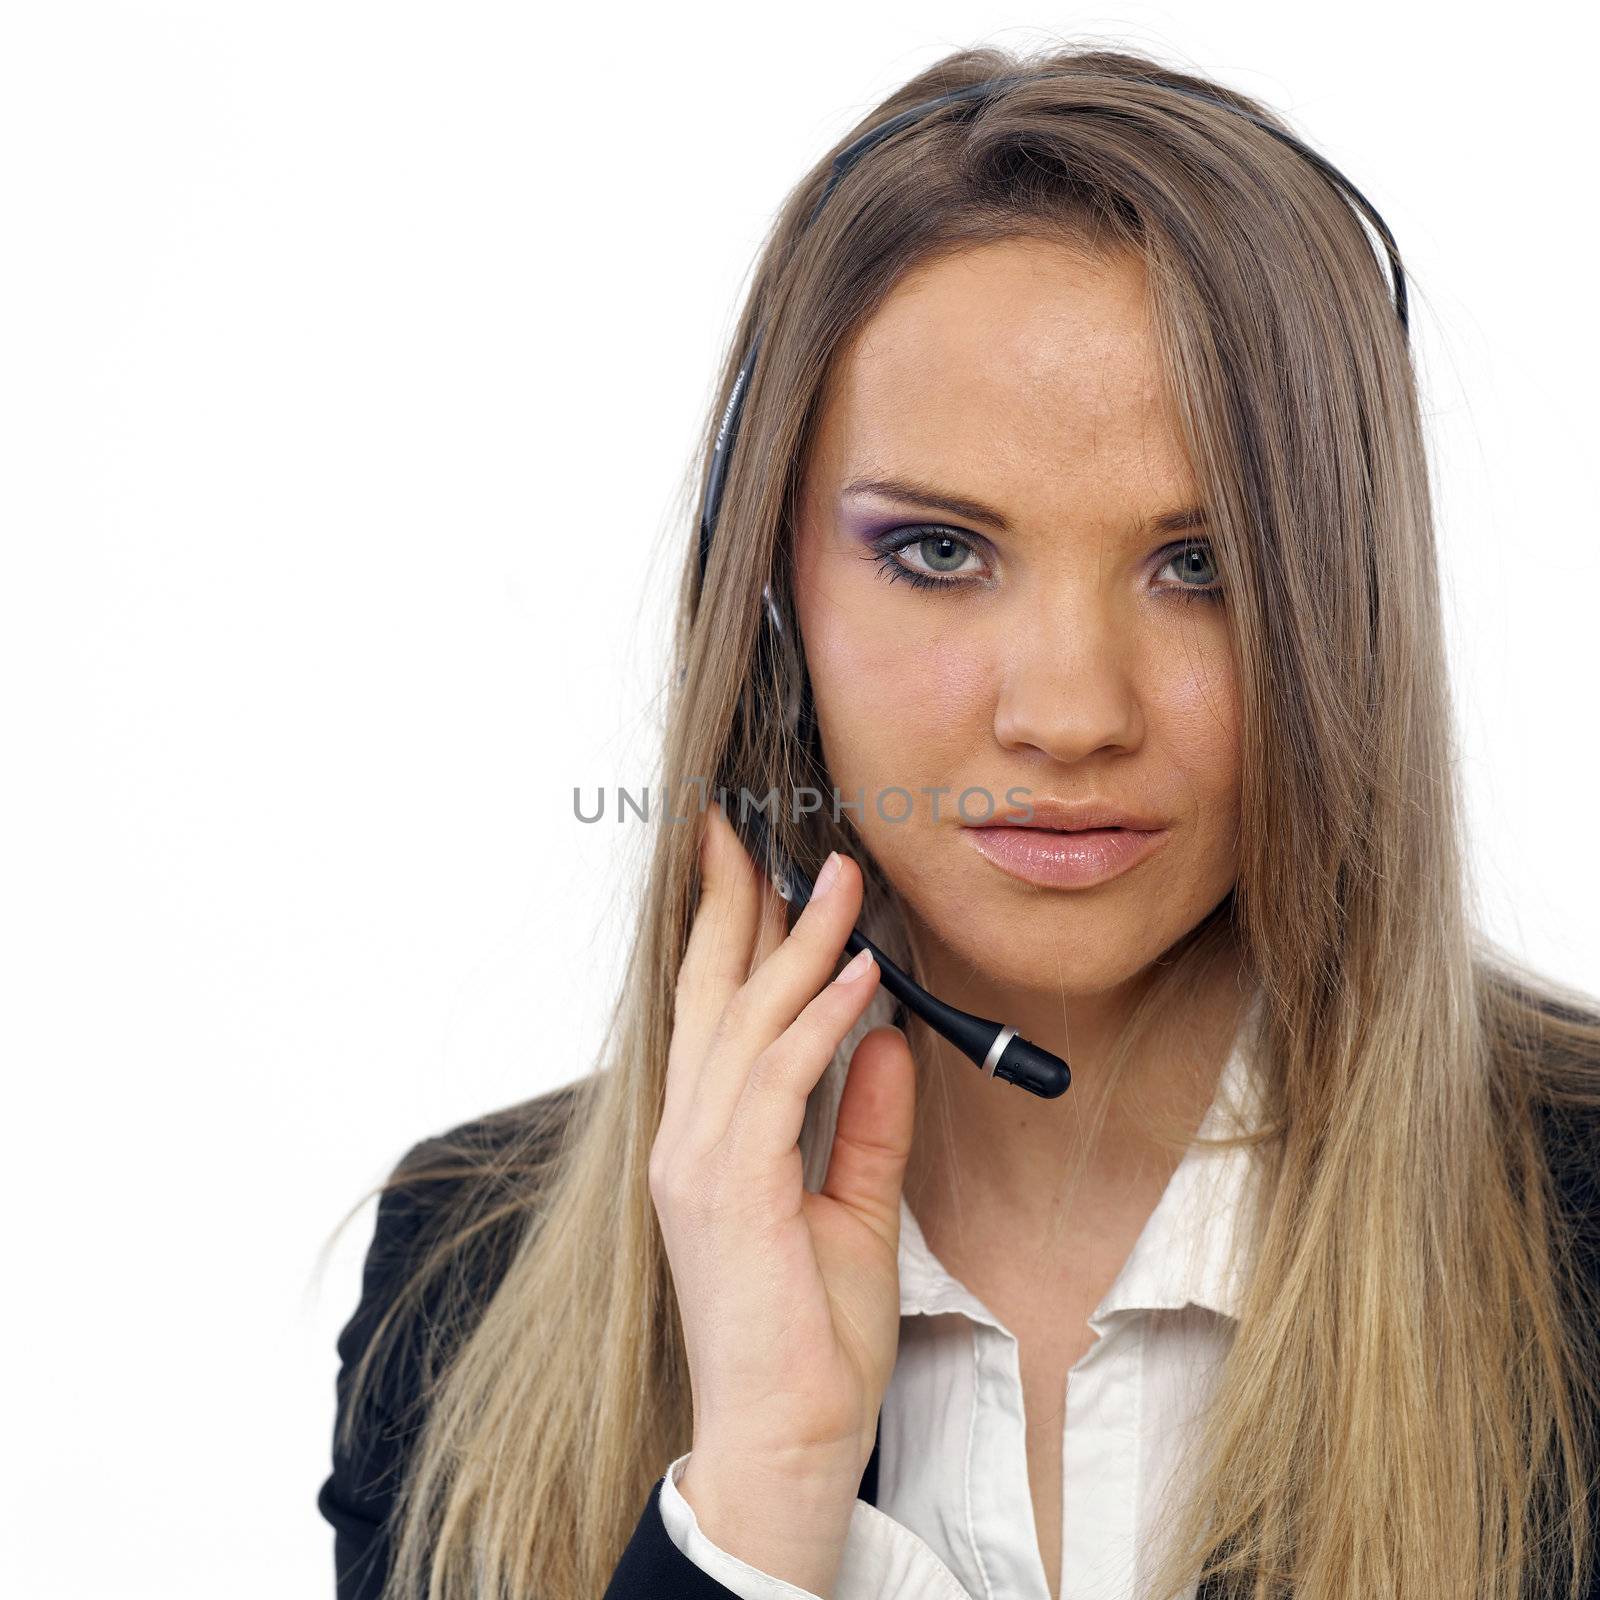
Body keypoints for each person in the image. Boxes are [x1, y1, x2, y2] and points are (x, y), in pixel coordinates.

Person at [316, 42, 1600, 1600]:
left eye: (1205, 566)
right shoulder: (466, 1285)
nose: (1069, 712)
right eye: (936, 551)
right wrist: (754, 1503)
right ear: (774, 591)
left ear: (1352, 608)